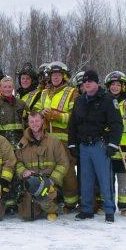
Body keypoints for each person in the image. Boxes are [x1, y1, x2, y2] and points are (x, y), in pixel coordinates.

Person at [68, 70, 122, 223]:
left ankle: (109, 210)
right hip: (84, 145)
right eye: (85, 82)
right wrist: (72, 144)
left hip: (100, 145)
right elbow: (72, 124)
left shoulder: (108, 99)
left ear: (97, 83)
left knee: (105, 180)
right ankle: (86, 209)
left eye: (90, 81)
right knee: (85, 180)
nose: (87, 84)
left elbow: (117, 124)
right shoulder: (79, 101)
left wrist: (113, 144)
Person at [40, 61, 79, 212]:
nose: (55, 77)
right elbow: (36, 111)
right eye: (53, 75)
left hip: (63, 139)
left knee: (67, 171)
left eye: (58, 75)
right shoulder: (43, 93)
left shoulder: (71, 92)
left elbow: (74, 116)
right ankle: (53, 200)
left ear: (63, 76)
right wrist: (41, 114)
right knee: (48, 170)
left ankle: (71, 203)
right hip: (46, 139)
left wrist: (56, 116)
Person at [15, 111, 70, 221]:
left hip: (49, 182)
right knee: (27, 216)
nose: (34, 124)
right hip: (32, 182)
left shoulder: (54, 141)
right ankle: (38, 207)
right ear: (28, 124)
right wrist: (23, 171)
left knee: (46, 199)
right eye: (32, 121)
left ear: (42, 121)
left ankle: (53, 209)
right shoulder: (22, 142)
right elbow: (17, 162)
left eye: (37, 121)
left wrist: (52, 180)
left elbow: (63, 164)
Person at [105, 71, 126, 217]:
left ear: (123, 87)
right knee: (109, 178)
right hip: (110, 147)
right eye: (112, 84)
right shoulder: (105, 102)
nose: (115, 87)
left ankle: (125, 206)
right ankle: (109, 204)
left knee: (124, 178)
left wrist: (117, 125)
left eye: (118, 84)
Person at [0, 77, 26, 148]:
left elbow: (28, 123)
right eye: (5, 87)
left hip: (20, 144)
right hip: (2, 145)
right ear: (0, 88)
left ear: (13, 88)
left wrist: (25, 139)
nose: (7, 89)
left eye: (10, 87)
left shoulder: (21, 104)